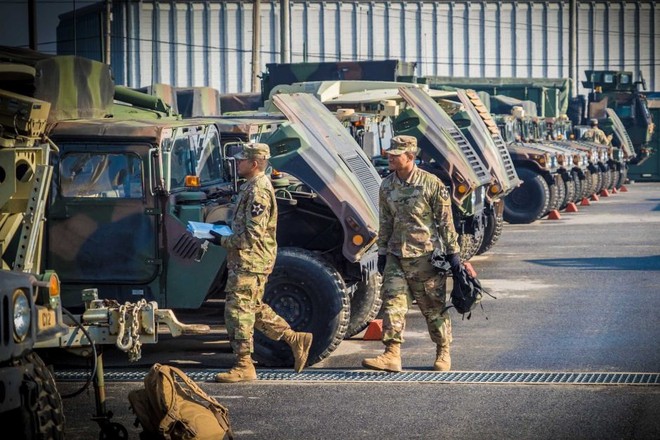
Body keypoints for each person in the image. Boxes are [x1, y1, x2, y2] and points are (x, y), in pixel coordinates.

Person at [362, 135, 462, 373]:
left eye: (396, 155)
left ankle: (443, 352)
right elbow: (385, 221)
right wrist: (382, 252)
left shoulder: (431, 183)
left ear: (410, 156)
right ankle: (392, 354)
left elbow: (446, 222)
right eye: (390, 154)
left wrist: (454, 254)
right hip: (396, 255)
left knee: (433, 308)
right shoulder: (386, 185)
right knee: (393, 304)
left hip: (425, 257)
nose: (391, 158)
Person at [214, 142, 313, 383]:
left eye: (241, 160)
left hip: (250, 261)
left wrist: (221, 239)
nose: (237, 163)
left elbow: (251, 236)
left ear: (254, 163)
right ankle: (294, 338)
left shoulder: (258, 191)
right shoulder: (251, 187)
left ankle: (244, 365)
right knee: (252, 308)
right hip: (246, 260)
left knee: (237, 312)